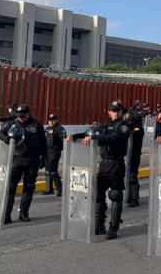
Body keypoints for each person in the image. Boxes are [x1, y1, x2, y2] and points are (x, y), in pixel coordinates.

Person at [68, 101, 130, 239]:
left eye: (118, 110)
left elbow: (114, 138)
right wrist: (76, 136)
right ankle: (99, 225)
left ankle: (113, 228)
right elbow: (89, 132)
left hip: (116, 163)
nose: (116, 112)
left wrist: (95, 137)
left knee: (115, 195)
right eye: (113, 110)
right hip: (104, 163)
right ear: (108, 112)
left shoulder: (124, 126)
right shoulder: (104, 125)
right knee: (98, 194)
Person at [0, 104, 46, 223]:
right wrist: (6, 138)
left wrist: (44, 158)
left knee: (29, 187)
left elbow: (43, 142)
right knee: (10, 187)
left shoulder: (36, 124)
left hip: (32, 160)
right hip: (17, 159)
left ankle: (23, 213)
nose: (21, 118)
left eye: (23, 116)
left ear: (28, 113)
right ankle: (6, 215)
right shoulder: (13, 123)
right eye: (19, 116)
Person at [124, 100, 147, 207]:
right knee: (127, 175)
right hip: (126, 154)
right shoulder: (132, 117)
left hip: (134, 154)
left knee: (132, 174)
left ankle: (134, 198)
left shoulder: (137, 129)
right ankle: (127, 196)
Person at [42, 114, 66, 196]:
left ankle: (60, 191)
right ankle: (49, 190)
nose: (51, 121)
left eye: (53, 120)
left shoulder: (60, 129)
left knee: (53, 172)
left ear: (56, 120)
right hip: (46, 153)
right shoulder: (47, 129)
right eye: (49, 120)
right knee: (47, 172)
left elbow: (64, 139)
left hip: (54, 153)